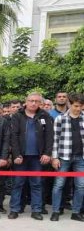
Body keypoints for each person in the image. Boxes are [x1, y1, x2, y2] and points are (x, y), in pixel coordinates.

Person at [8, 93, 53, 220]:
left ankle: (36, 210)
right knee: (18, 183)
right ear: (26, 102)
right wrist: (16, 154)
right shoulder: (17, 116)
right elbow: (14, 136)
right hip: (21, 157)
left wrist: (47, 153)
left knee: (37, 184)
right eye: (31, 101)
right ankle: (14, 209)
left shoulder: (45, 116)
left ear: (40, 103)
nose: (33, 103)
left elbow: (50, 137)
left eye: (36, 101)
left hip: (37, 157)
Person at [49, 92, 84, 221]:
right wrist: (54, 157)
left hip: (81, 158)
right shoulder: (60, 119)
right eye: (75, 106)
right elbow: (55, 139)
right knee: (59, 185)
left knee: (81, 186)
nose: (78, 109)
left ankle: (76, 212)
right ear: (70, 104)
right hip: (63, 156)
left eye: (80, 106)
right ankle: (56, 211)